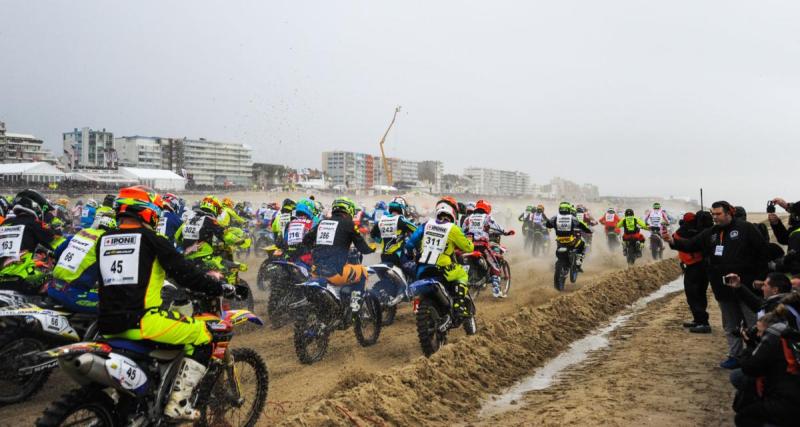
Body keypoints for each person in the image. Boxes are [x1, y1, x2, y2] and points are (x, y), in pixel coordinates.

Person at [97, 186, 228, 420]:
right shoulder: (151, 240)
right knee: (203, 335)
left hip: (106, 326)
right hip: (143, 321)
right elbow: (185, 274)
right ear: (147, 212)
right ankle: (179, 404)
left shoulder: (104, 240)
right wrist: (217, 286)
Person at [663, 200, 769, 369]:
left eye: (718, 214)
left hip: (747, 286)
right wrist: (673, 241)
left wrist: (760, 277)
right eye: (713, 214)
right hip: (723, 289)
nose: (715, 218)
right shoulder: (711, 233)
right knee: (730, 325)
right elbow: (691, 245)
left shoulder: (746, 229)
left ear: (729, 213)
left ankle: (758, 356)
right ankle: (735, 355)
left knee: (753, 323)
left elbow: (763, 252)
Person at [405, 197, 474, 316]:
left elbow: (410, 243)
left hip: (422, 269)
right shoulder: (453, 228)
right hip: (442, 269)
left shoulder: (426, 225)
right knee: (462, 273)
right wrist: (469, 240)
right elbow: (469, 248)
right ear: (453, 213)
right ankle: (459, 304)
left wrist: (412, 253)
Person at [733, 312, 800, 427]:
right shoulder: (790, 338)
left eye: (759, 331)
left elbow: (750, 368)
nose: (758, 335)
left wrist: (749, 346)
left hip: (787, 402)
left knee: (743, 417)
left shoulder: (773, 341)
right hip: (791, 395)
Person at [49, 213, 117, 313]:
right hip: (72, 294)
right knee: (114, 304)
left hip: (53, 287)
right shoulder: (106, 241)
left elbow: (58, 252)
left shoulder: (82, 232)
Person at [0, 190, 64, 294]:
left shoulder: (5, 223)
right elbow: (59, 244)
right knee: (54, 277)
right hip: (20, 279)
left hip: (2, 277)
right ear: (34, 206)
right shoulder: (33, 223)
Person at [303, 197, 374, 287]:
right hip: (335, 273)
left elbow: (306, 240)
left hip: (316, 272)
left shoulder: (322, 222)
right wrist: (372, 248)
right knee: (363, 271)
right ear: (349, 209)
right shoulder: (349, 224)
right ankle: (356, 300)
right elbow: (362, 248)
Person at [461, 199, 514, 297]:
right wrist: (506, 232)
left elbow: (462, 230)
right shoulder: (487, 217)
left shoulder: (468, 218)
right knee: (495, 266)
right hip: (482, 246)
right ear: (487, 209)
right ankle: (496, 292)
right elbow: (498, 228)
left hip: (469, 246)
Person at [674, 212, 712, 333]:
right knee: (700, 293)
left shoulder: (685, 231)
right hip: (703, 265)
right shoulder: (705, 231)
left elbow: (676, 238)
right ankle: (699, 319)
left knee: (693, 294)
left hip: (693, 266)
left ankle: (702, 322)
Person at [370, 199, 417, 276]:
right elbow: (416, 229)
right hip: (398, 255)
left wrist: (381, 240)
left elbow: (372, 234)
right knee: (414, 271)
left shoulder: (381, 220)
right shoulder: (400, 219)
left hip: (384, 256)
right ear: (402, 208)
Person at [725, 272, 792, 320]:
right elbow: (757, 304)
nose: (762, 288)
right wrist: (738, 287)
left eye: (765, 285)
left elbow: (759, 305)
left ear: (775, 290)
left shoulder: (777, 310)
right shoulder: (785, 303)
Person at [546, 202, 593, 271]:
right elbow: (581, 225)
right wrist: (588, 231)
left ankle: (559, 263)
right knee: (582, 245)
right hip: (570, 240)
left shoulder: (555, 217)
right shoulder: (572, 218)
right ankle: (578, 264)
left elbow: (548, 225)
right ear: (569, 210)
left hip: (560, 240)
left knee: (558, 252)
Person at [768, 198, 800, 275]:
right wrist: (776, 224)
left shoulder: (797, 233)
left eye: (792, 213)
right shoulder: (796, 229)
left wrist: (776, 267)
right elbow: (784, 239)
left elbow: (794, 262)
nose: (791, 216)